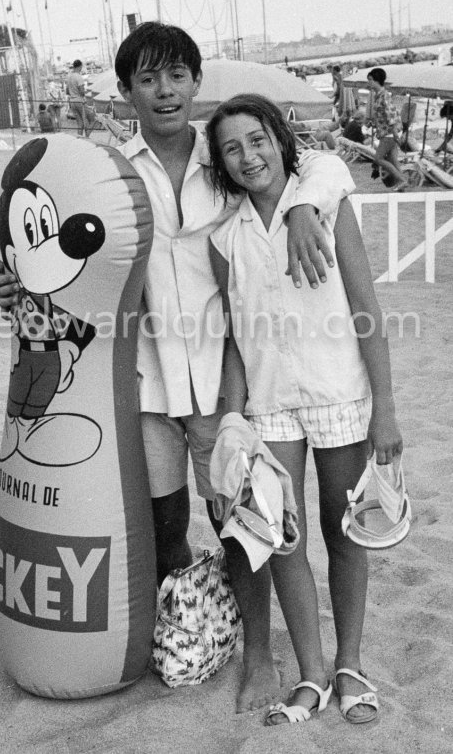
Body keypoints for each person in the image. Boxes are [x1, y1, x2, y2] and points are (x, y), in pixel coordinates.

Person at [0, 21, 355, 712]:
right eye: (148, 79)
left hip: (229, 381)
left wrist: (306, 202)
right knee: (161, 525)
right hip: (146, 387)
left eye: (177, 75)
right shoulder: (108, 173)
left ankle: (257, 655)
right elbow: (44, 252)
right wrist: (10, 287)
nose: (165, 90)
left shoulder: (226, 159)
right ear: (126, 91)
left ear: (194, 81)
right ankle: (180, 633)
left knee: (240, 524)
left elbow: (314, 164)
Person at [206, 93, 402, 725]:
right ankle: (312, 674)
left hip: (338, 391)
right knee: (283, 540)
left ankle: (350, 664)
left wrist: (387, 407)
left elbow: (367, 306)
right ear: (222, 162)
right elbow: (236, 338)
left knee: (345, 533)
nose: (249, 156)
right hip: (269, 404)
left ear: (279, 138)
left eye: (258, 139)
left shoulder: (326, 202)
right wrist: (233, 421)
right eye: (232, 147)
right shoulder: (224, 236)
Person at [365, 68, 408, 191]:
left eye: (370, 80)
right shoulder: (379, 96)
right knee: (393, 160)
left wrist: (394, 132)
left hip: (388, 134)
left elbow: (392, 114)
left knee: (378, 159)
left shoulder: (383, 96)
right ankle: (402, 185)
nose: (369, 83)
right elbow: (383, 115)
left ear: (376, 80)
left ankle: (402, 180)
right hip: (388, 132)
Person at [66, 59, 95, 137]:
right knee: (92, 119)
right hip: (79, 101)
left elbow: (67, 91)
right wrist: (84, 93)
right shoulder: (79, 77)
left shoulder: (69, 77)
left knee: (80, 123)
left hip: (72, 102)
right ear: (80, 66)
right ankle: (87, 136)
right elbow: (82, 91)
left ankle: (80, 139)